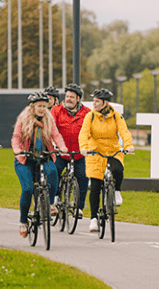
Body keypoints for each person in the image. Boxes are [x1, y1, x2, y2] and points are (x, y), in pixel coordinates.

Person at [12, 91, 67, 238]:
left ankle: (49, 204)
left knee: (53, 173)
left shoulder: (49, 119)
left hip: (43, 157)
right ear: (32, 107)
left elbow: (56, 135)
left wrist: (62, 148)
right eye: (39, 106)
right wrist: (17, 150)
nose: (42, 109)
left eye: (44, 106)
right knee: (28, 189)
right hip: (25, 159)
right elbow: (16, 137)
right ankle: (23, 221)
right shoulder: (23, 118)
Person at [79, 88, 135, 232]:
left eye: (97, 101)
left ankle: (116, 190)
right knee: (96, 186)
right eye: (94, 101)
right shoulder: (90, 116)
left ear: (105, 103)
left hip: (112, 149)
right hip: (95, 151)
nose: (94, 104)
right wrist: (84, 147)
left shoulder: (116, 116)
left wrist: (128, 146)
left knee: (117, 168)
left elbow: (124, 132)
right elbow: (84, 133)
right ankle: (93, 219)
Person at [51, 83, 90, 219]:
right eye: (67, 96)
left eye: (72, 97)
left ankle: (78, 207)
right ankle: (54, 200)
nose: (68, 99)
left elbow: (91, 131)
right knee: (54, 172)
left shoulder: (87, 113)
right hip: (61, 153)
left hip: (79, 153)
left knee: (83, 177)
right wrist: (54, 145)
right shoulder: (56, 110)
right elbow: (51, 129)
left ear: (78, 98)